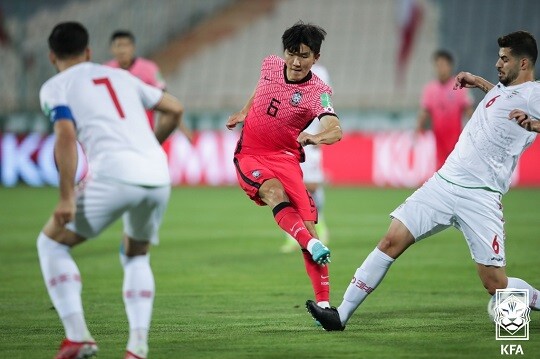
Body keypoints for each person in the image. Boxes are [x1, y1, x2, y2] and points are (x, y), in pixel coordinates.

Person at [307, 30, 540, 331]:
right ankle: (339, 317)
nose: (498, 64)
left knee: (495, 283)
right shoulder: (503, 87)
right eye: (498, 57)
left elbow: (523, 106)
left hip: (481, 196)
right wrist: (477, 81)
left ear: (524, 64)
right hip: (444, 183)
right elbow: (502, 98)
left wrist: (535, 124)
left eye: (504, 59)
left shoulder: (534, 94)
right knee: (391, 240)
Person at [37, 22, 184, 358]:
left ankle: (78, 336)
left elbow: (64, 136)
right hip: (157, 175)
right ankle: (137, 345)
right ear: (89, 52)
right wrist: (151, 146)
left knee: (50, 244)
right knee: (135, 253)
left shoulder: (54, 87)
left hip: (114, 174)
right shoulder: (121, 76)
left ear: (51, 56)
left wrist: (65, 196)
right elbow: (175, 109)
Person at [226, 21, 343, 310]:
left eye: (304, 56)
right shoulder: (269, 65)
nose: (295, 61)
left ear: (316, 58)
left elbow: (335, 129)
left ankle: (325, 306)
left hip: (287, 157)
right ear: (284, 52)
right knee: (274, 192)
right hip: (252, 154)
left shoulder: (319, 91)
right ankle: (310, 243)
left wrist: (314, 136)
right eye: (291, 53)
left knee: (310, 229)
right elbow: (260, 89)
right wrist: (244, 110)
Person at [105, 30, 192, 141]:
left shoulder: (149, 69)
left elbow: (165, 98)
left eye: (126, 45)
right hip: (115, 134)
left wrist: (181, 127)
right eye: (118, 46)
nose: (122, 50)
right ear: (111, 49)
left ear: (133, 47)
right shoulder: (105, 71)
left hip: (143, 134)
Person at [281, 62, 331, 253]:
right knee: (287, 187)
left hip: (309, 138)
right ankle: (293, 235)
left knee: (311, 186)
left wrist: (321, 133)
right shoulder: (283, 71)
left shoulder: (319, 72)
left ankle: (320, 224)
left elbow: (325, 102)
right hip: (288, 139)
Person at [416, 50, 473, 170]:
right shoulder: (430, 89)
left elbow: (468, 111)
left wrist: (475, 130)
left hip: (457, 139)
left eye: (443, 65)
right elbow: (425, 111)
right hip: (438, 139)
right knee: (440, 171)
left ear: (450, 66)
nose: (440, 68)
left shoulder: (460, 87)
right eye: (437, 65)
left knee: (457, 170)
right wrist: (418, 129)